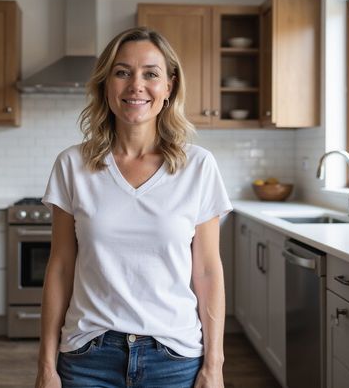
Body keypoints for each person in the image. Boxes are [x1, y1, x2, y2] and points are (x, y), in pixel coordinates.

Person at [35, 26, 232, 388]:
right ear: (105, 84)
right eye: (122, 72)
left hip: (174, 357)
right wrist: (46, 366)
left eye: (150, 74)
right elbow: (60, 268)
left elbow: (207, 271)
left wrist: (214, 365)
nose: (135, 85)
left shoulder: (199, 167)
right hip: (87, 356)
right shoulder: (72, 165)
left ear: (169, 87)